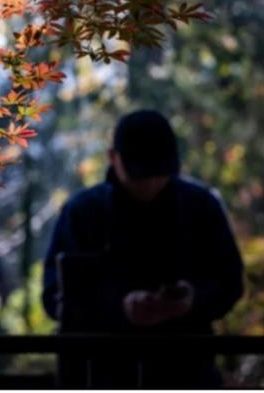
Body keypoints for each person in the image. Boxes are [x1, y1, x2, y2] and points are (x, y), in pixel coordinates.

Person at [42, 109, 244, 388]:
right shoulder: (83, 213)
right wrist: (118, 308)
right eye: (140, 175)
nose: (150, 184)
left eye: (158, 173)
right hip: (104, 374)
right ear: (113, 159)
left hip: (187, 371)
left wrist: (192, 298)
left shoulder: (200, 207)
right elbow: (54, 295)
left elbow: (230, 282)